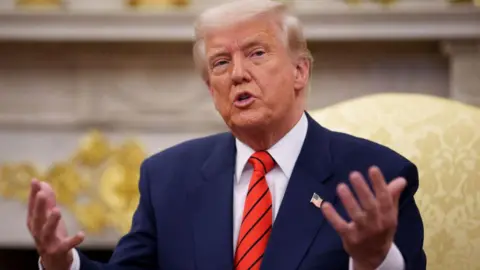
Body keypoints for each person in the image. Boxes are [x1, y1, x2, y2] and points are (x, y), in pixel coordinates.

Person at [27, 1, 426, 269]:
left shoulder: (379, 176)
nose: (237, 73)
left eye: (256, 53)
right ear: (210, 89)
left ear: (299, 72)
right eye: (221, 62)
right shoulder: (168, 177)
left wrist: (375, 261)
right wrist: (65, 265)